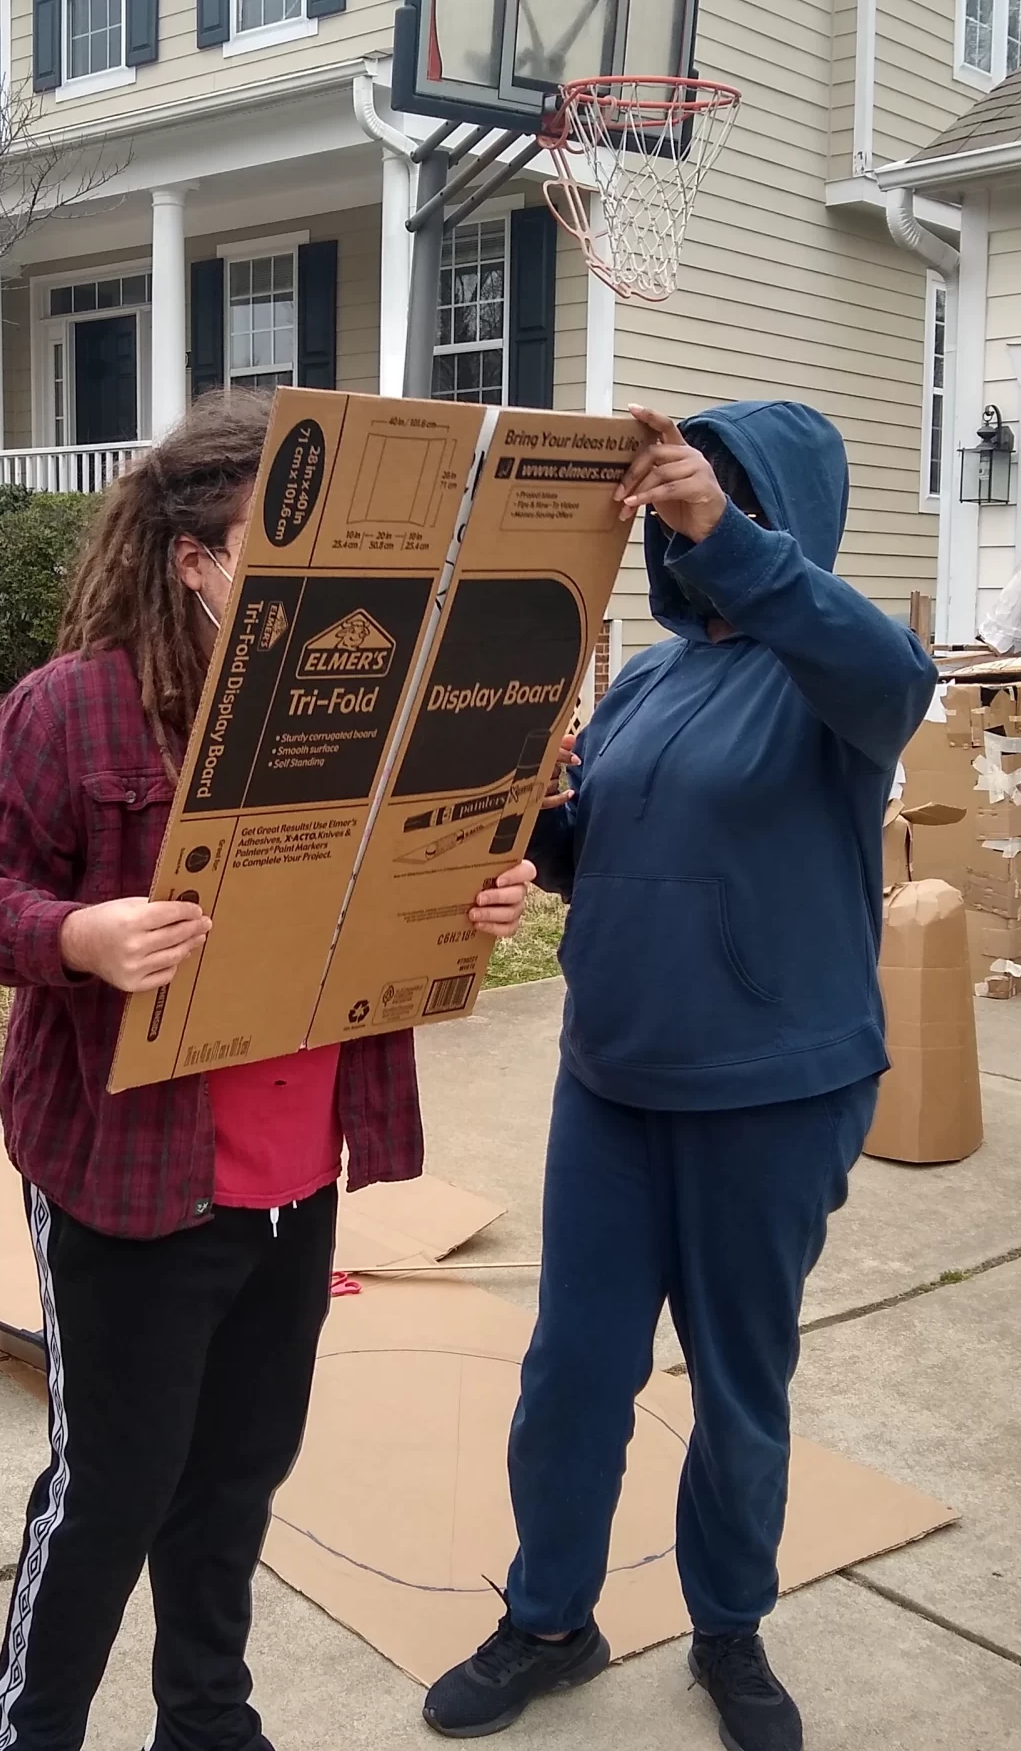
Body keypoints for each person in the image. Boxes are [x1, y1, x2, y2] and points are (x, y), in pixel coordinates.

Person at [0, 390, 539, 1751]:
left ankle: (207, 1717)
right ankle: (34, 1738)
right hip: (127, 1178)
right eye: (283, 558)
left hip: (294, 1168)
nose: (322, 590)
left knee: (243, 1470)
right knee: (115, 1488)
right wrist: (78, 933)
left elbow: (406, 876)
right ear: (197, 565)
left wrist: (472, 897)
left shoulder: (376, 693)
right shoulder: (75, 708)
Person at [422, 403, 936, 1751]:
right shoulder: (649, 680)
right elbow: (608, 855)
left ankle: (731, 1629)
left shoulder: (843, 677)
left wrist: (728, 528)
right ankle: (550, 1619)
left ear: (775, 510)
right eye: (671, 510)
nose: (678, 529)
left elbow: (884, 668)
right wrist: (533, 814)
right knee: (574, 1372)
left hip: (771, 1089)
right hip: (613, 1080)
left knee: (736, 1382)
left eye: (708, 501)